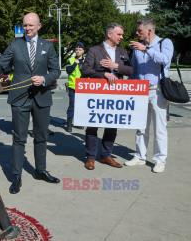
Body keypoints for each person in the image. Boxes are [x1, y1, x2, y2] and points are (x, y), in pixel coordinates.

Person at [0, 13, 61, 194]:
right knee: (19, 138)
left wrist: (45, 79)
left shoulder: (48, 46)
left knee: (41, 136)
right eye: (25, 26)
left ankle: (40, 170)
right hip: (20, 97)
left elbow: (56, 71)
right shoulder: (15, 45)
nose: (27, 29)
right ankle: (16, 176)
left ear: (39, 26)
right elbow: (0, 65)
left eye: (31, 25)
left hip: (42, 97)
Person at [81, 23, 133, 170]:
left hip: (116, 93)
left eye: (122, 35)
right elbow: (85, 70)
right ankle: (90, 157)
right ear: (110, 34)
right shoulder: (94, 50)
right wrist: (103, 73)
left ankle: (106, 155)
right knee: (93, 124)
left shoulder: (122, 51)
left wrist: (115, 66)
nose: (122, 37)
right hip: (97, 93)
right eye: (119, 34)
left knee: (112, 125)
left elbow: (129, 70)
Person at [124, 17, 173, 173]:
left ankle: (160, 160)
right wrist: (128, 87)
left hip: (157, 90)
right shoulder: (137, 47)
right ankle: (139, 156)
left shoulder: (164, 43)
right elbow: (134, 69)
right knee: (140, 126)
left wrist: (146, 50)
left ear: (149, 30)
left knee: (160, 127)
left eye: (140, 30)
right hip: (140, 91)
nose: (137, 33)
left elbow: (165, 60)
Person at [65, 42, 85, 132]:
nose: (78, 51)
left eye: (80, 50)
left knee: (81, 106)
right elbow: (68, 71)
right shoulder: (71, 60)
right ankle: (69, 123)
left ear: (83, 51)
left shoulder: (86, 61)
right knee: (72, 105)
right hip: (73, 87)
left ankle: (78, 122)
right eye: (76, 50)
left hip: (83, 87)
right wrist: (75, 64)